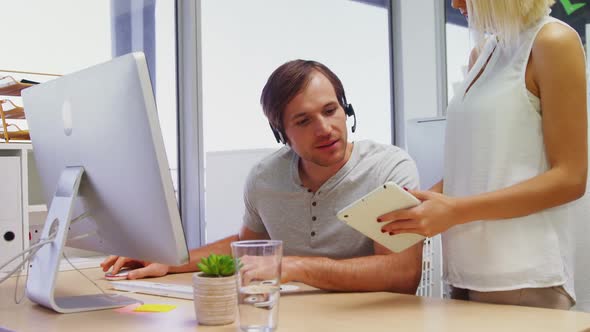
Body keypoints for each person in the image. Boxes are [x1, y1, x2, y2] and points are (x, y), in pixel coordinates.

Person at [102, 59, 424, 293]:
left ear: (346, 110)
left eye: (330, 111)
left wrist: (294, 266)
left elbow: (402, 273)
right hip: (292, 318)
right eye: (303, 121)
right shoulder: (264, 177)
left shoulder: (389, 169)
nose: (324, 129)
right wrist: (168, 259)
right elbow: (248, 247)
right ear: (281, 133)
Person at [380, 0, 587, 309]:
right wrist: (425, 200)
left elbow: (570, 178)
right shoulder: (484, 54)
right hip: (464, 273)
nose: (455, 4)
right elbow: (480, 165)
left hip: (522, 278)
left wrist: (455, 210)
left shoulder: (552, 42)